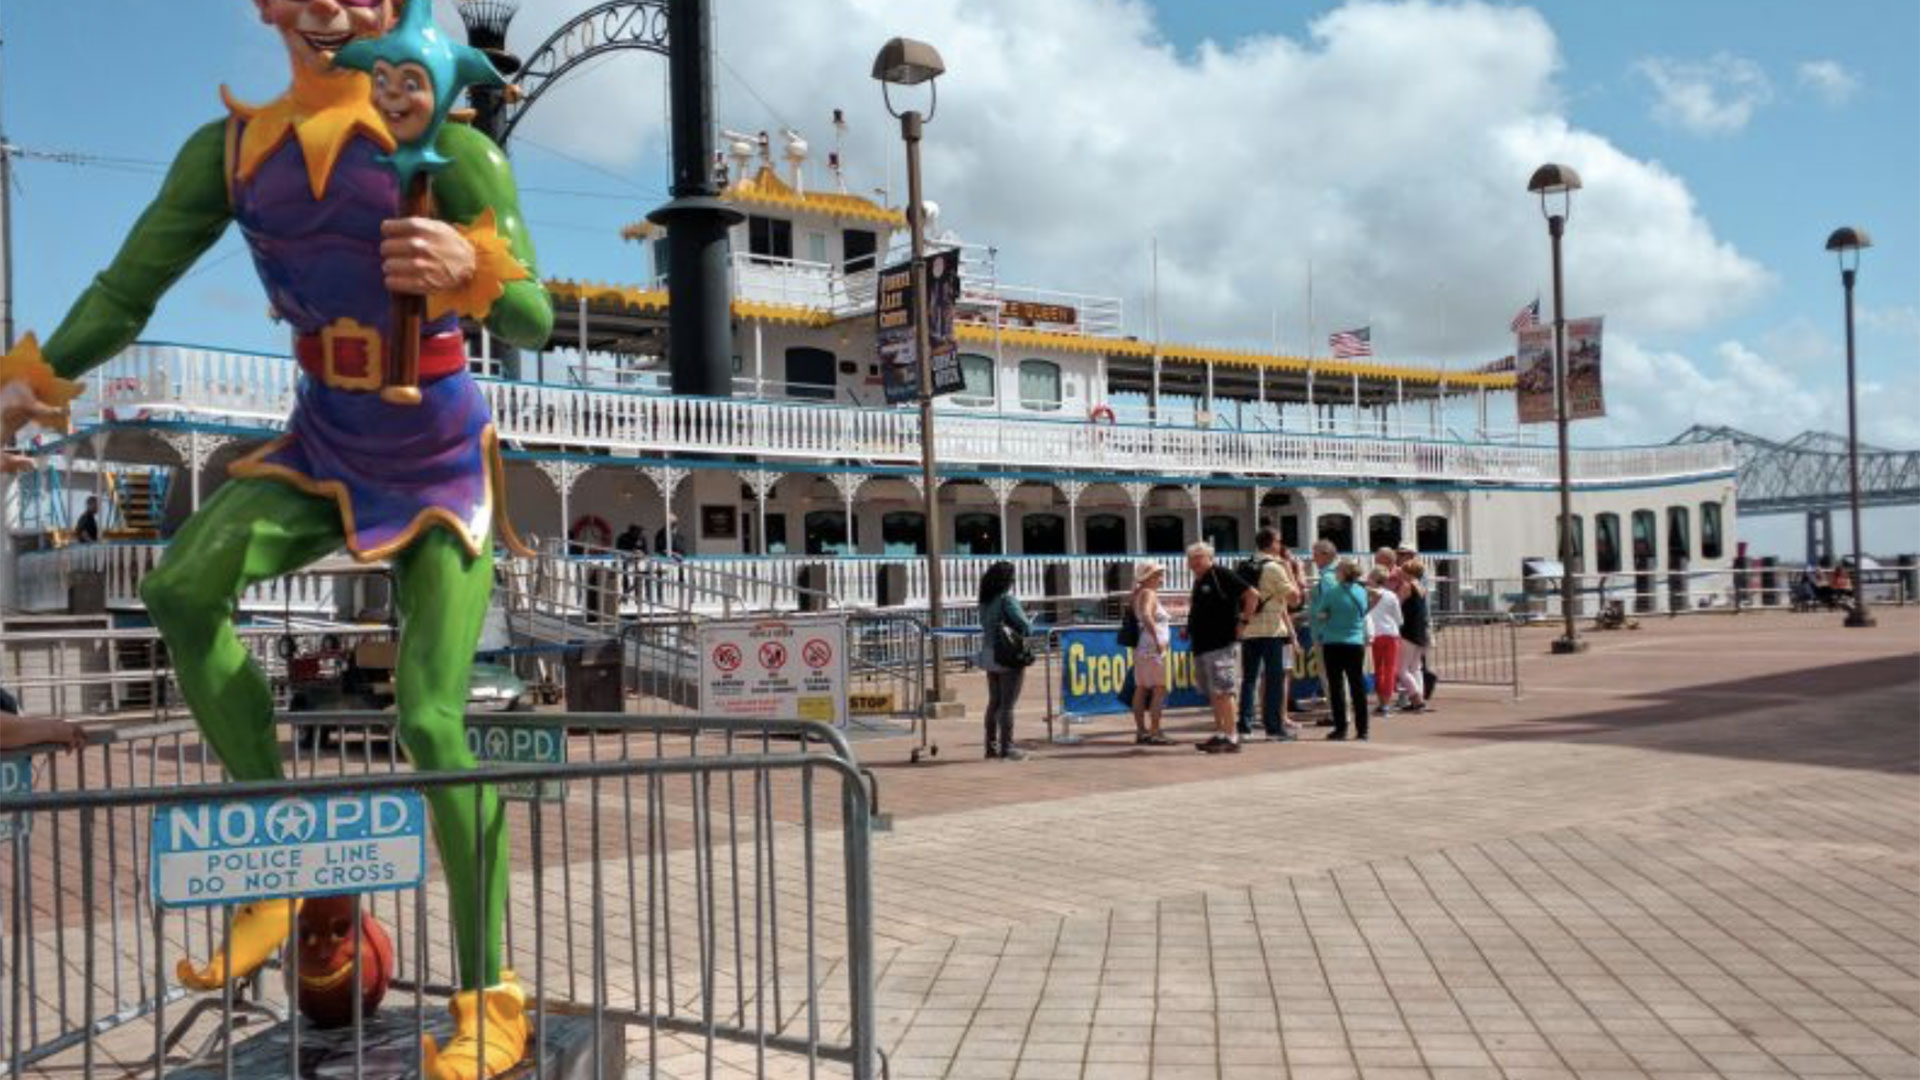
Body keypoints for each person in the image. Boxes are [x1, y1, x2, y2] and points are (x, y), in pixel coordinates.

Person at [0, 4, 554, 1075]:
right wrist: (34, 380)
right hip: (323, 435)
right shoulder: (231, 153)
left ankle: (491, 992)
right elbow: (129, 287)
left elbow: (530, 313)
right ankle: (273, 863)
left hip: (437, 453)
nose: (335, 10)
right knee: (181, 587)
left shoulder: (452, 143)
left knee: (432, 718)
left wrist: (470, 270)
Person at [1186, 541, 1257, 754]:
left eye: (1199, 557)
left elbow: (1252, 594)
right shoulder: (1199, 581)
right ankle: (1220, 733)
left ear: (1210, 557)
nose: (1195, 562)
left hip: (1221, 643)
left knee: (1225, 691)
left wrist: (1243, 623)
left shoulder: (1221, 574)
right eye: (1191, 558)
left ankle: (1232, 736)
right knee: (1214, 693)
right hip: (1202, 645)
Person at [1238, 527, 1299, 741]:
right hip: (1271, 630)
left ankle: (1244, 726)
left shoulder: (1245, 565)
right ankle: (1273, 728)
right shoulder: (1274, 567)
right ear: (1272, 543)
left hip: (1249, 630)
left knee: (1248, 680)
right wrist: (1289, 570)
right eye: (1279, 541)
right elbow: (1295, 599)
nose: (1280, 545)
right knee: (1274, 680)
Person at [976, 560, 1032, 761]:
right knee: (1008, 705)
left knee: (994, 702)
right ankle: (1007, 748)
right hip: (1007, 655)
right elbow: (1025, 626)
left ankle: (990, 747)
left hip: (989, 653)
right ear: (1007, 580)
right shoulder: (1006, 600)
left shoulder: (985, 601)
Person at [1312, 557, 1371, 741]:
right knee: (1357, 686)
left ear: (1344, 573)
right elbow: (1365, 610)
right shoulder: (1362, 591)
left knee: (1336, 687)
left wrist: (1327, 616)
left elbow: (1320, 614)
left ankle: (1340, 728)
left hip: (1333, 642)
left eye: (1338, 570)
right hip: (1355, 642)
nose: (1335, 573)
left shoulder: (1332, 593)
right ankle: (1363, 729)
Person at [1128, 561, 1174, 746]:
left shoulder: (1138, 593)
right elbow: (1147, 615)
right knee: (1159, 688)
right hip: (1152, 647)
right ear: (1148, 577)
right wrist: (1158, 640)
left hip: (1142, 646)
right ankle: (1154, 731)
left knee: (1141, 688)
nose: (1161, 578)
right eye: (1157, 574)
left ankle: (1142, 730)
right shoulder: (1148, 593)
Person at [1365, 568, 1403, 716]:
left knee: (1377, 670)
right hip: (1390, 634)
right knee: (1389, 669)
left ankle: (1381, 701)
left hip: (1374, 635)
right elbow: (1399, 619)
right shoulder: (1391, 596)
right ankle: (1386, 702)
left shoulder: (1367, 594)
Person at [1397, 559, 1432, 713]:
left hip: (1409, 630)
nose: (1400, 572)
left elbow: (1397, 603)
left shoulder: (1407, 585)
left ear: (1409, 573)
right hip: (1420, 630)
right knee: (1415, 667)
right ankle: (1419, 699)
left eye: (1403, 570)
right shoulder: (1422, 587)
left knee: (1402, 669)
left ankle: (1416, 697)